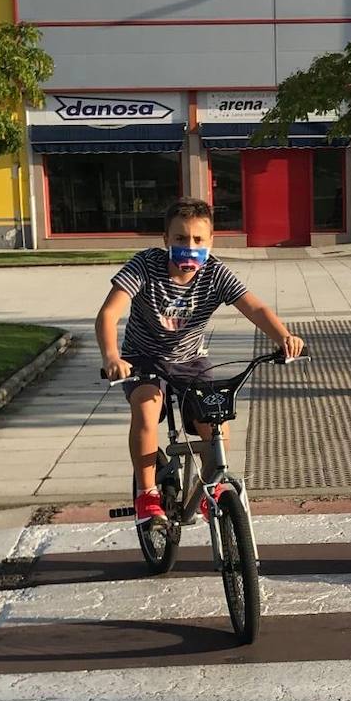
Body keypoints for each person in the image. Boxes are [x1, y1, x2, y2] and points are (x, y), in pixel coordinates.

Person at [95, 197, 304, 527]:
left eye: (197, 240)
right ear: (165, 240)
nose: (188, 247)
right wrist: (111, 357)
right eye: (179, 239)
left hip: (191, 359)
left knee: (217, 420)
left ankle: (209, 488)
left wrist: (284, 337)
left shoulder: (215, 274)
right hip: (143, 358)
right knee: (147, 407)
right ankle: (147, 494)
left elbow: (255, 308)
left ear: (210, 242)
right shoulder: (145, 266)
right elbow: (109, 314)